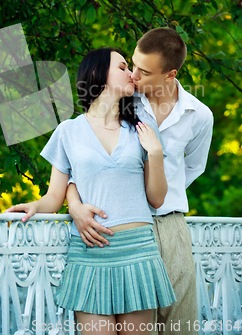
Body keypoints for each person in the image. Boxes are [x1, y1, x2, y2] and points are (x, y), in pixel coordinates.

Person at [5, 47, 176, 335]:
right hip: (90, 253)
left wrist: (156, 154)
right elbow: (53, 197)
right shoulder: (67, 131)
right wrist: (34, 206)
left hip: (137, 251)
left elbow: (157, 199)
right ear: (98, 74)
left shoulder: (143, 130)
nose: (131, 73)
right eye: (122, 67)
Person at [66, 28, 213, 335]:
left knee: (179, 323)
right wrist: (74, 203)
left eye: (143, 71)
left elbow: (193, 168)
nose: (133, 75)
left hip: (168, 222)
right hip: (119, 229)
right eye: (131, 64)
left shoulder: (199, 115)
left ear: (169, 74)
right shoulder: (122, 102)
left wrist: (157, 192)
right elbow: (85, 160)